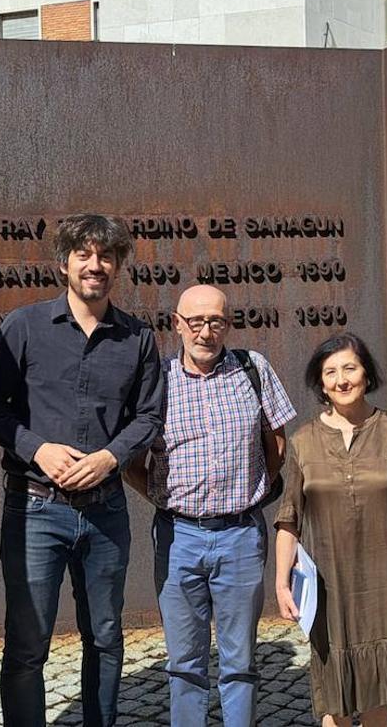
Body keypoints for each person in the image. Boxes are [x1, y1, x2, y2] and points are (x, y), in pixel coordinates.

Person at [0, 214, 164, 727]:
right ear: (63, 264)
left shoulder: (137, 339)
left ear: (117, 266)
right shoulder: (23, 327)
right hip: (35, 509)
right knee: (28, 643)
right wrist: (38, 450)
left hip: (106, 514)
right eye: (84, 255)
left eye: (105, 256)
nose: (94, 265)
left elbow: (149, 416)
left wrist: (109, 457)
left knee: (104, 636)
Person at [123, 285, 294, 726]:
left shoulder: (253, 369)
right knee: (185, 663)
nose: (205, 331)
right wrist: (164, 500)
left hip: (240, 534)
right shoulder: (156, 382)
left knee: (239, 662)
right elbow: (131, 463)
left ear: (228, 324)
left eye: (215, 321)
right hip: (178, 536)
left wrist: (257, 486)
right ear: (177, 324)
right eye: (195, 321)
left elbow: (277, 441)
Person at [274, 333, 387, 727]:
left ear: (366, 373)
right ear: (320, 382)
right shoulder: (303, 442)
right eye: (330, 372)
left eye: (350, 368)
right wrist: (280, 584)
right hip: (330, 594)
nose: (341, 379)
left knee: (381, 698)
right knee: (335, 703)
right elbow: (289, 518)